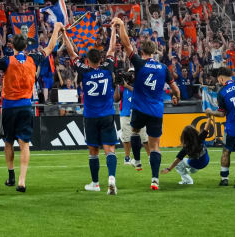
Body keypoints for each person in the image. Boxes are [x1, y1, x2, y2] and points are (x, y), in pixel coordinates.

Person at [59, 18, 121, 194]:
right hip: (108, 114)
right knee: (110, 149)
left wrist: (64, 34)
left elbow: (72, 54)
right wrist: (114, 30)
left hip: (91, 116)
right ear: (100, 60)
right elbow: (111, 48)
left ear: (87, 60)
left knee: (93, 150)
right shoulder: (108, 68)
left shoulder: (84, 71)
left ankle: (95, 183)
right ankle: (112, 178)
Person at [116, 26, 180, 190]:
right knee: (155, 147)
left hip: (139, 108)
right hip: (156, 110)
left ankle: (137, 161)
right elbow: (176, 90)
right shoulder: (163, 68)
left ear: (141, 51)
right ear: (154, 52)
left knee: (135, 132)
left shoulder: (138, 63)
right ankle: (155, 179)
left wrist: (121, 26)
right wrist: (176, 97)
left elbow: (126, 43)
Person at [0, 31, 37, 191]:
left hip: (9, 107)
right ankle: (22, 181)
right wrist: (57, 30)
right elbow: (48, 49)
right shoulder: (33, 59)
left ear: (12, 46)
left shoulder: (6, 61)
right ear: (26, 46)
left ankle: (11, 175)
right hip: (26, 106)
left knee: (8, 142)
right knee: (25, 144)